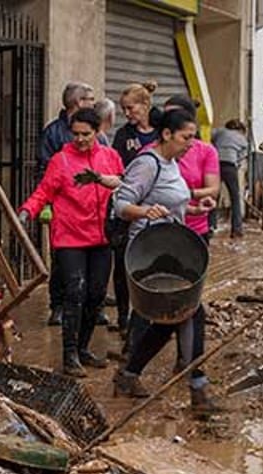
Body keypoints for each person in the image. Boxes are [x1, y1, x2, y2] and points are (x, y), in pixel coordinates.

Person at [111, 108, 222, 412]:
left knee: (171, 317)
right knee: (187, 311)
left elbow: (171, 203)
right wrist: (145, 211)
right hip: (149, 252)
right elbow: (120, 203)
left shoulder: (172, 162)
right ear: (167, 134)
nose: (191, 143)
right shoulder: (147, 164)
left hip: (170, 247)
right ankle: (197, 388)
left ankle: (130, 374)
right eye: (186, 137)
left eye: (193, 137)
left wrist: (195, 210)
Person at [17, 109, 123, 377]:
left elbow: (129, 187)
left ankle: (84, 348)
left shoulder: (110, 157)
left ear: (98, 132)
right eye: (74, 134)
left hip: (101, 237)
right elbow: (43, 191)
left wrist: (119, 185)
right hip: (69, 237)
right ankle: (70, 354)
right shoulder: (60, 160)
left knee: (96, 294)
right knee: (74, 292)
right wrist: (27, 211)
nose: (79, 139)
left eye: (85, 134)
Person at [40, 82, 96, 327]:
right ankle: (58, 305)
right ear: (78, 102)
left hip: (88, 210)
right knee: (61, 260)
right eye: (90, 99)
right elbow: (45, 169)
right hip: (63, 208)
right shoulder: (53, 133)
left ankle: (89, 306)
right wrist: (47, 203)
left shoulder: (97, 133)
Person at [109, 81, 160, 337]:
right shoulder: (123, 135)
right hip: (129, 207)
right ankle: (122, 316)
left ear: (145, 105)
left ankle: (147, 315)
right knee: (122, 264)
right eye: (123, 109)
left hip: (155, 209)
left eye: (131, 108)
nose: (127, 114)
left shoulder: (162, 131)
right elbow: (117, 167)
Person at [163, 96, 220, 241]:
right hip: (160, 230)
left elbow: (213, 189)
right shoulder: (150, 155)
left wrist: (187, 195)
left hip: (195, 228)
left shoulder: (206, 151)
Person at [212, 119, 249, 238]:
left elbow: (210, 141)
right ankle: (236, 229)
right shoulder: (242, 138)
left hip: (215, 165)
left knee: (213, 196)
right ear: (240, 129)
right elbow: (242, 156)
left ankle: (210, 226)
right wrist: (236, 163)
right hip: (230, 166)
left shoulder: (218, 132)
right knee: (235, 198)